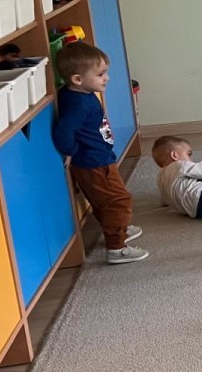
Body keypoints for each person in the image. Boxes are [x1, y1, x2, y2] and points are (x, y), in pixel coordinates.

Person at [51, 42, 146, 263]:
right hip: (95, 162)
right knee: (119, 201)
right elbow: (64, 131)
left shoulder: (79, 93)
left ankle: (116, 227)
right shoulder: (79, 104)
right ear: (77, 79)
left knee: (105, 201)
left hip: (97, 158)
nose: (107, 78)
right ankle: (116, 247)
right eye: (101, 74)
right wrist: (70, 150)